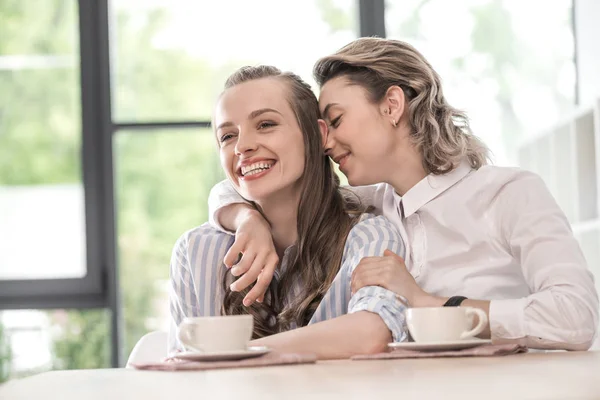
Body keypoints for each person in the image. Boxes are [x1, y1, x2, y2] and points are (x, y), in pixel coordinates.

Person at [207, 38, 599, 350]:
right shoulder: (373, 204)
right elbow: (247, 187)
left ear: (392, 105)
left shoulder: (509, 193)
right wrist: (247, 219)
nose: (326, 143)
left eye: (337, 120)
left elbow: (575, 316)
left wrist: (437, 306)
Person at [168, 65, 409, 359]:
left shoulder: (369, 236)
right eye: (228, 136)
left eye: (266, 124)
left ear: (317, 135)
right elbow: (184, 378)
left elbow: (372, 333)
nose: (242, 146)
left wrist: (230, 354)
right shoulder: (196, 252)